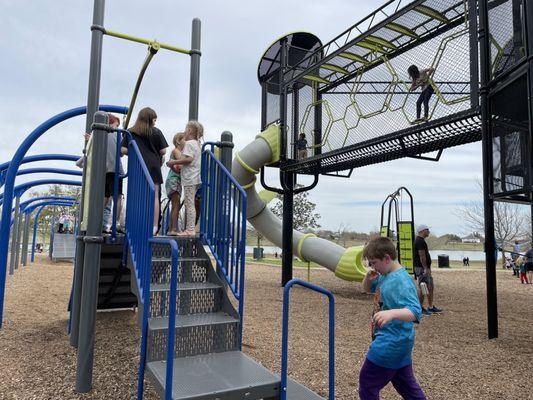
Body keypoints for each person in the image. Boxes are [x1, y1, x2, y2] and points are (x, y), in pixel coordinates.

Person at [360, 237, 426, 400]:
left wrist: (391, 313)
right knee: (407, 387)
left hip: (390, 343)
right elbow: (366, 289)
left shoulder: (401, 281)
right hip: (400, 343)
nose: (372, 266)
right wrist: (368, 279)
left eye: (374, 262)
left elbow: (415, 311)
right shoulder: (385, 274)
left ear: (387, 258)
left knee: (367, 384)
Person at [121, 107, 168, 235]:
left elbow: (123, 150)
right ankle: (153, 226)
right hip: (153, 167)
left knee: (136, 196)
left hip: (138, 166)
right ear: (151, 119)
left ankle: (135, 225)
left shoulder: (131, 132)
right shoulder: (156, 132)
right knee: (155, 196)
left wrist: (135, 151)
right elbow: (163, 151)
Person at [166, 121, 203, 236]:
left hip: (190, 178)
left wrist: (174, 162)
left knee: (189, 204)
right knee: (189, 203)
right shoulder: (196, 144)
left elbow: (189, 159)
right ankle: (190, 228)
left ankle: (190, 229)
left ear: (189, 131)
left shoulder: (189, 143)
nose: (184, 132)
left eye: (185, 129)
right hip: (195, 177)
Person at [413, 224, 442, 315]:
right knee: (423, 287)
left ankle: (430, 306)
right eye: (427, 229)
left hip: (424, 268)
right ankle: (420, 308)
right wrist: (425, 268)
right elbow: (422, 256)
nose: (429, 231)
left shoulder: (421, 241)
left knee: (430, 287)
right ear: (422, 231)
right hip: (422, 268)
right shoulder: (419, 241)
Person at [165, 132, 185, 235]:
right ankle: (173, 229)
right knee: (176, 205)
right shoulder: (176, 151)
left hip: (174, 180)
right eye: (185, 140)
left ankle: (172, 229)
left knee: (175, 205)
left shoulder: (179, 151)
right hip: (174, 180)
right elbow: (182, 162)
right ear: (178, 141)